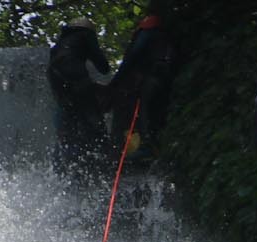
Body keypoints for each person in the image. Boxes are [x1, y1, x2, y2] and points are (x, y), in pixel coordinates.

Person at [105, 6, 178, 161]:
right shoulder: (166, 38)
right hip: (166, 81)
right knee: (155, 113)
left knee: (144, 110)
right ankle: (154, 146)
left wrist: (115, 82)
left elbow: (132, 56)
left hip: (150, 79)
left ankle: (146, 147)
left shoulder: (146, 33)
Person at [46, 18, 112, 181]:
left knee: (69, 118)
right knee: (94, 120)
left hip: (55, 76)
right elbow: (103, 67)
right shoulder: (85, 35)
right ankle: (104, 158)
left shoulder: (60, 43)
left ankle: (63, 165)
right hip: (74, 73)